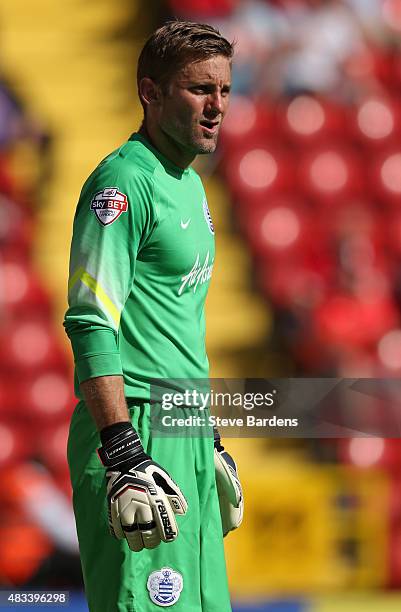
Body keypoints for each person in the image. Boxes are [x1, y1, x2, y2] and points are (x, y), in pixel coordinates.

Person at [64, 20, 243, 612]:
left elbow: (175, 320)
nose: (216, 106)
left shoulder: (189, 182)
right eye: (198, 89)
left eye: (224, 90)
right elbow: (92, 320)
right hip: (137, 429)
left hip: (182, 422)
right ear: (151, 92)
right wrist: (122, 450)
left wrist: (205, 430)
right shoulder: (121, 184)